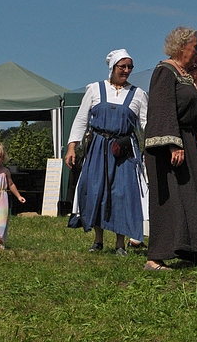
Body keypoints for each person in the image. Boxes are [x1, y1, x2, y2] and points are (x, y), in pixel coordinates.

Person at [144, 26, 197, 270]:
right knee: (170, 201)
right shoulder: (165, 71)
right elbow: (162, 109)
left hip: (187, 142)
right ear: (182, 46)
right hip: (169, 147)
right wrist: (173, 144)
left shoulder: (184, 74)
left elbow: (189, 109)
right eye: (195, 47)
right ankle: (155, 258)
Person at [66, 49, 149, 255]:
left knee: (122, 193)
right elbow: (81, 119)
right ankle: (98, 239)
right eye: (123, 66)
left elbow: (146, 125)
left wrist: (149, 150)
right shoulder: (95, 89)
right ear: (112, 68)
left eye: (130, 67)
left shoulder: (138, 94)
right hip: (98, 148)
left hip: (124, 151)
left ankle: (120, 243)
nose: (127, 70)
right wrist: (71, 147)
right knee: (97, 189)